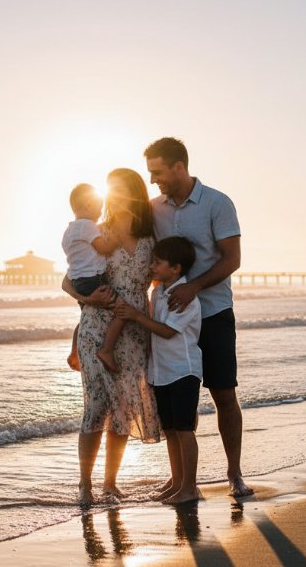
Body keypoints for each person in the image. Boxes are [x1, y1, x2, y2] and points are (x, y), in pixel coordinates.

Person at [145, 137, 255, 497]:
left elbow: (231, 259)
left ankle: (234, 473)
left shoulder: (217, 203)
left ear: (179, 167)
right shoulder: (154, 208)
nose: (153, 180)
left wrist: (194, 287)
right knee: (180, 398)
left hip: (214, 312)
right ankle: (182, 479)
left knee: (224, 394)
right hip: (173, 318)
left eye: (157, 172)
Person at [62, 168, 161, 505]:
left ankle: (110, 483)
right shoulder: (98, 232)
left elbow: (165, 273)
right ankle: (85, 485)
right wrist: (88, 298)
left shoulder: (151, 238)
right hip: (96, 326)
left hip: (133, 328)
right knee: (96, 406)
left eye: (122, 191)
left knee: (123, 405)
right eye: (111, 192)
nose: (116, 198)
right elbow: (68, 279)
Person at [114, 236, 203, 505]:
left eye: (157, 263)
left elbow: (165, 331)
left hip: (183, 371)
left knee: (185, 430)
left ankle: (190, 487)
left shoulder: (184, 297)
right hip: (162, 372)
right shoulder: (158, 292)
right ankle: (177, 483)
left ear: (176, 268)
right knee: (172, 431)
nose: (151, 267)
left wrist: (134, 315)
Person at [62, 183, 126, 374]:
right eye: (99, 206)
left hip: (78, 281)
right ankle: (106, 351)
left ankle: (74, 351)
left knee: (85, 316)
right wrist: (117, 239)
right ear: (89, 205)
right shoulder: (88, 226)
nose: (100, 212)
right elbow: (103, 248)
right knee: (122, 310)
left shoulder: (68, 231)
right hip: (94, 280)